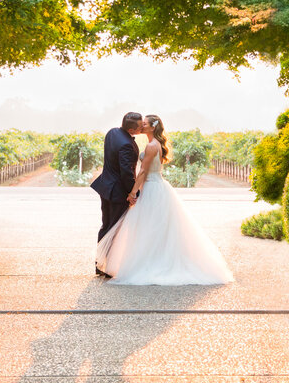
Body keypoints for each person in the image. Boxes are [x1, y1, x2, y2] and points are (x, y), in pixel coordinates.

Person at [96, 115, 234, 285]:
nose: (141, 127)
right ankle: (121, 262)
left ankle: (150, 263)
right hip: (151, 186)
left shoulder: (149, 145)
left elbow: (143, 172)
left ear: (152, 128)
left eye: (144, 124)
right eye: (140, 124)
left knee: (148, 228)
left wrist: (132, 193)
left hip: (151, 187)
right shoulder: (151, 144)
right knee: (149, 228)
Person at [91, 111, 143, 275]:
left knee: (106, 225)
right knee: (115, 228)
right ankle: (108, 267)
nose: (142, 127)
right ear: (133, 129)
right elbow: (126, 173)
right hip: (117, 192)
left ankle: (100, 263)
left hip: (105, 187)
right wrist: (133, 193)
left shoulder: (112, 132)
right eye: (140, 126)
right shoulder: (127, 145)